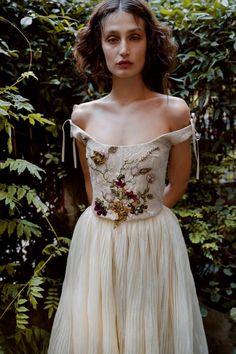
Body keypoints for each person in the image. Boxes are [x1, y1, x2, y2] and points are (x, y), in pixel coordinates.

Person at [48, 0, 208, 353]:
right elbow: (92, 188)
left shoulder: (174, 110)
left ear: (149, 43)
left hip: (154, 242)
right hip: (97, 243)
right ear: (98, 46)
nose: (123, 50)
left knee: (149, 334)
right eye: (112, 38)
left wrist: (144, 219)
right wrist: (112, 227)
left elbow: (178, 184)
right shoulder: (84, 116)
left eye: (134, 37)